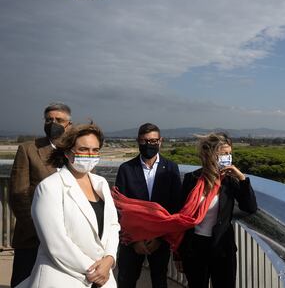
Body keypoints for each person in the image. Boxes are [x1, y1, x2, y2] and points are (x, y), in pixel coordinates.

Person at [16, 123, 120, 288]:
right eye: (83, 149)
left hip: (102, 275)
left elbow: (113, 225)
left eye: (95, 150)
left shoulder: (101, 184)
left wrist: (109, 259)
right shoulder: (49, 187)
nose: (90, 155)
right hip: (62, 276)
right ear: (66, 152)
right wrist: (94, 270)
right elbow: (56, 243)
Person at [176, 132, 257, 288]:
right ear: (210, 154)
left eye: (229, 154)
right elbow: (180, 219)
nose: (227, 157)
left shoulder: (229, 181)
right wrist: (178, 254)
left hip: (222, 248)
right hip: (195, 249)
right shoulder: (192, 179)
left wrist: (241, 178)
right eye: (223, 154)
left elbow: (250, 207)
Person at [9, 102, 72, 287]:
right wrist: (41, 231)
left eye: (59, 119)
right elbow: (18, 195)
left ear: (69, 124)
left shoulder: (75, 151)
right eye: (49, 119)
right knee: (24, 282)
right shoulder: (28, 149)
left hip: (67, 239)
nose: (53, 123)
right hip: (31, 237)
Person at [115, 123, 182, 288]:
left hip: (160, 240)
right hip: (132, 242)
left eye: (153, 141)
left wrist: (159, 237)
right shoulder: (126, 169)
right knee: (126, 281)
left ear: (161, 141)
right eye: (145, 141)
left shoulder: (171, 168)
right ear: (138, 141)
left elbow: (175, 205)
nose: (149, 145)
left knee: (159, 281)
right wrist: (134, 240)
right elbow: (119, 207)